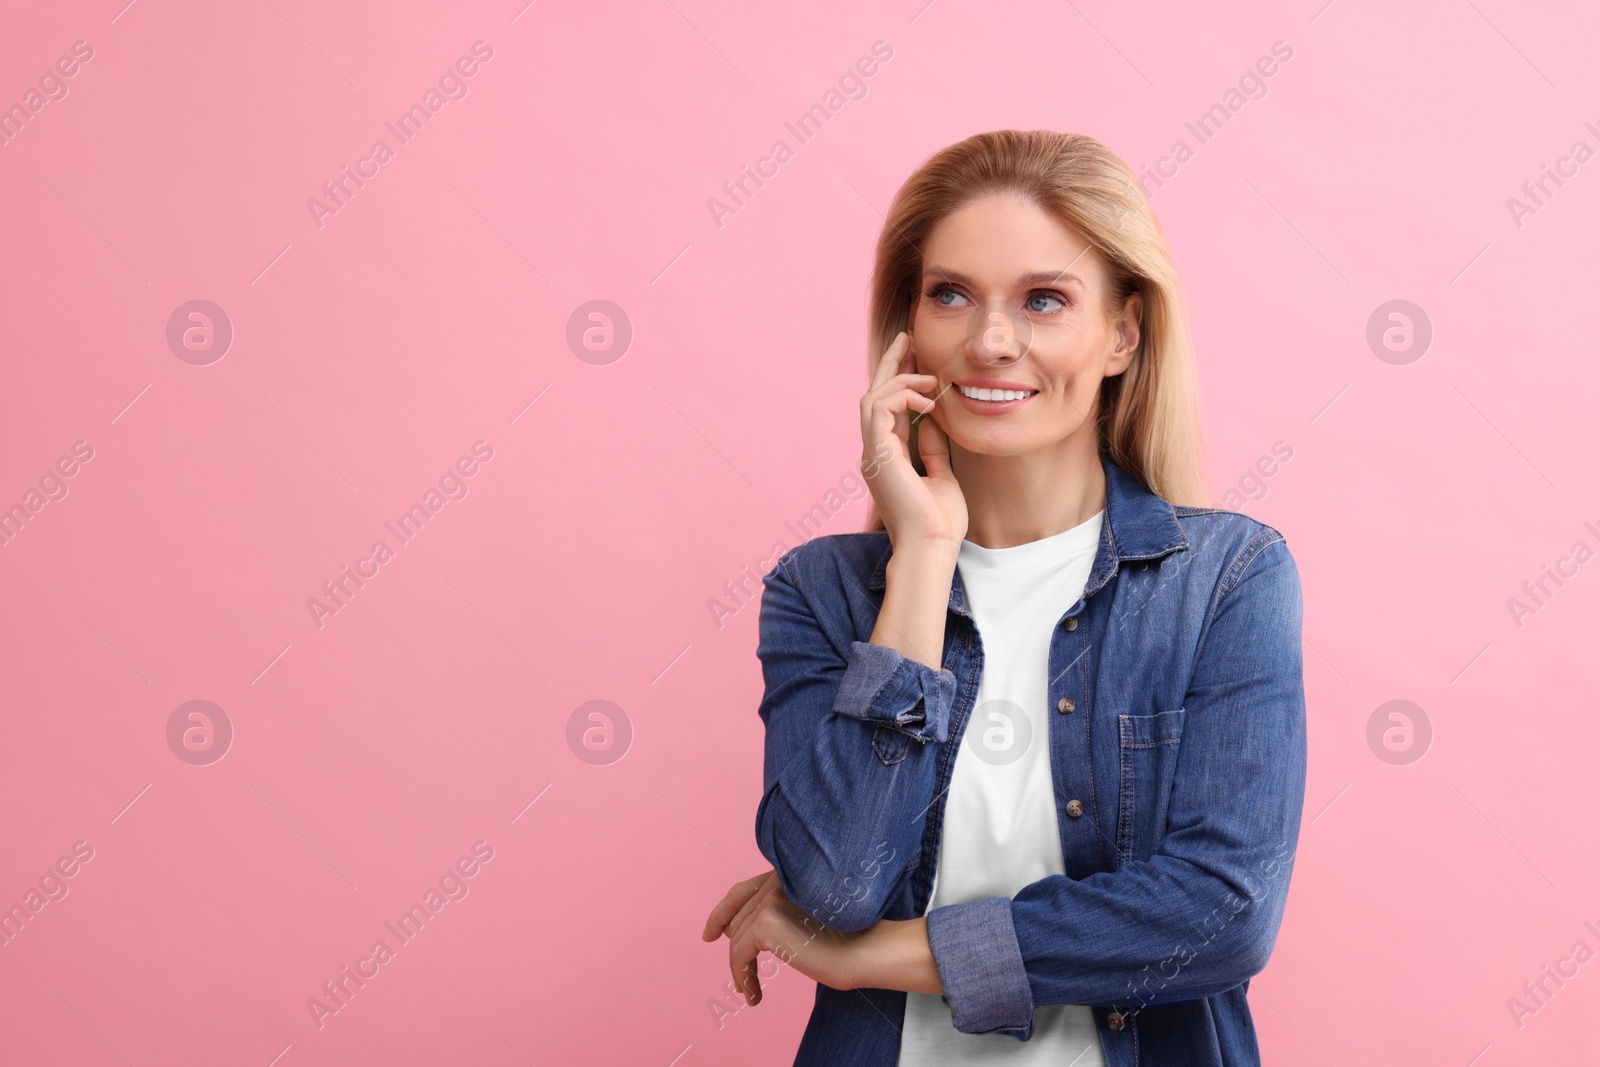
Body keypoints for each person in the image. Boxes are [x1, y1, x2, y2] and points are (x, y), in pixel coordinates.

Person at [701, 129, 1307, 1067]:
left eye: (1044, 300)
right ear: (906, 329)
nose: (989, 341)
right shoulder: (820, 590)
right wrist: (924, 557)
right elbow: (833, 885)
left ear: (1123, 332)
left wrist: (881, 957)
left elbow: (1223, 913)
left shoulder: (1226, 578)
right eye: (950, 294)